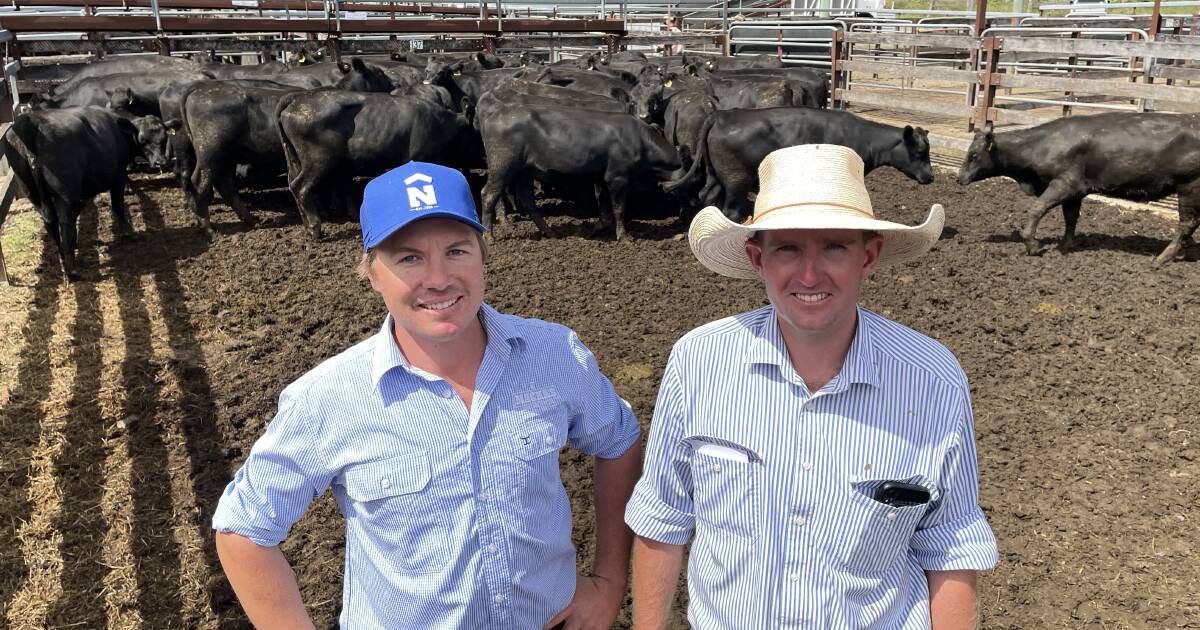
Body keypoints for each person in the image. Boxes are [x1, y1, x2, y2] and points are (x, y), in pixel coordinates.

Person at [212, 161, 642, 629]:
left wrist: (607, 582)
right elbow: (243, 529)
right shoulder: (330, 396)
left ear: (482, 255)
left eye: (456, 251)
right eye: (409, 258)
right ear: (373, 272)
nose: (438, 279)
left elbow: (618, 440)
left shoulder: (554, 353)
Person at [624, 144, 998, 629]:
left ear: (869, 255)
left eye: (834, 246)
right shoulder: (699, 361)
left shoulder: (932, 378)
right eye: (788, 248)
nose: (809, 274)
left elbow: (950, 541)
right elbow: (664, 516)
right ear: (758, 258)